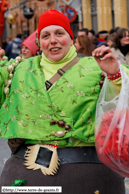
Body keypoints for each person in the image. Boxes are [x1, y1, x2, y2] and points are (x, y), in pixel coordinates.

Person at [0, 9, 128, 194]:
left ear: (71, 38)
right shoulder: (18, 69)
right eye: (46, 35)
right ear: (39, 42)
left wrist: (115, 75)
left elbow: (123, 99)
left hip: (90, 178)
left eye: (59, 33)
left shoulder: (97, 65)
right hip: (27, 177)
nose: (53, 40)